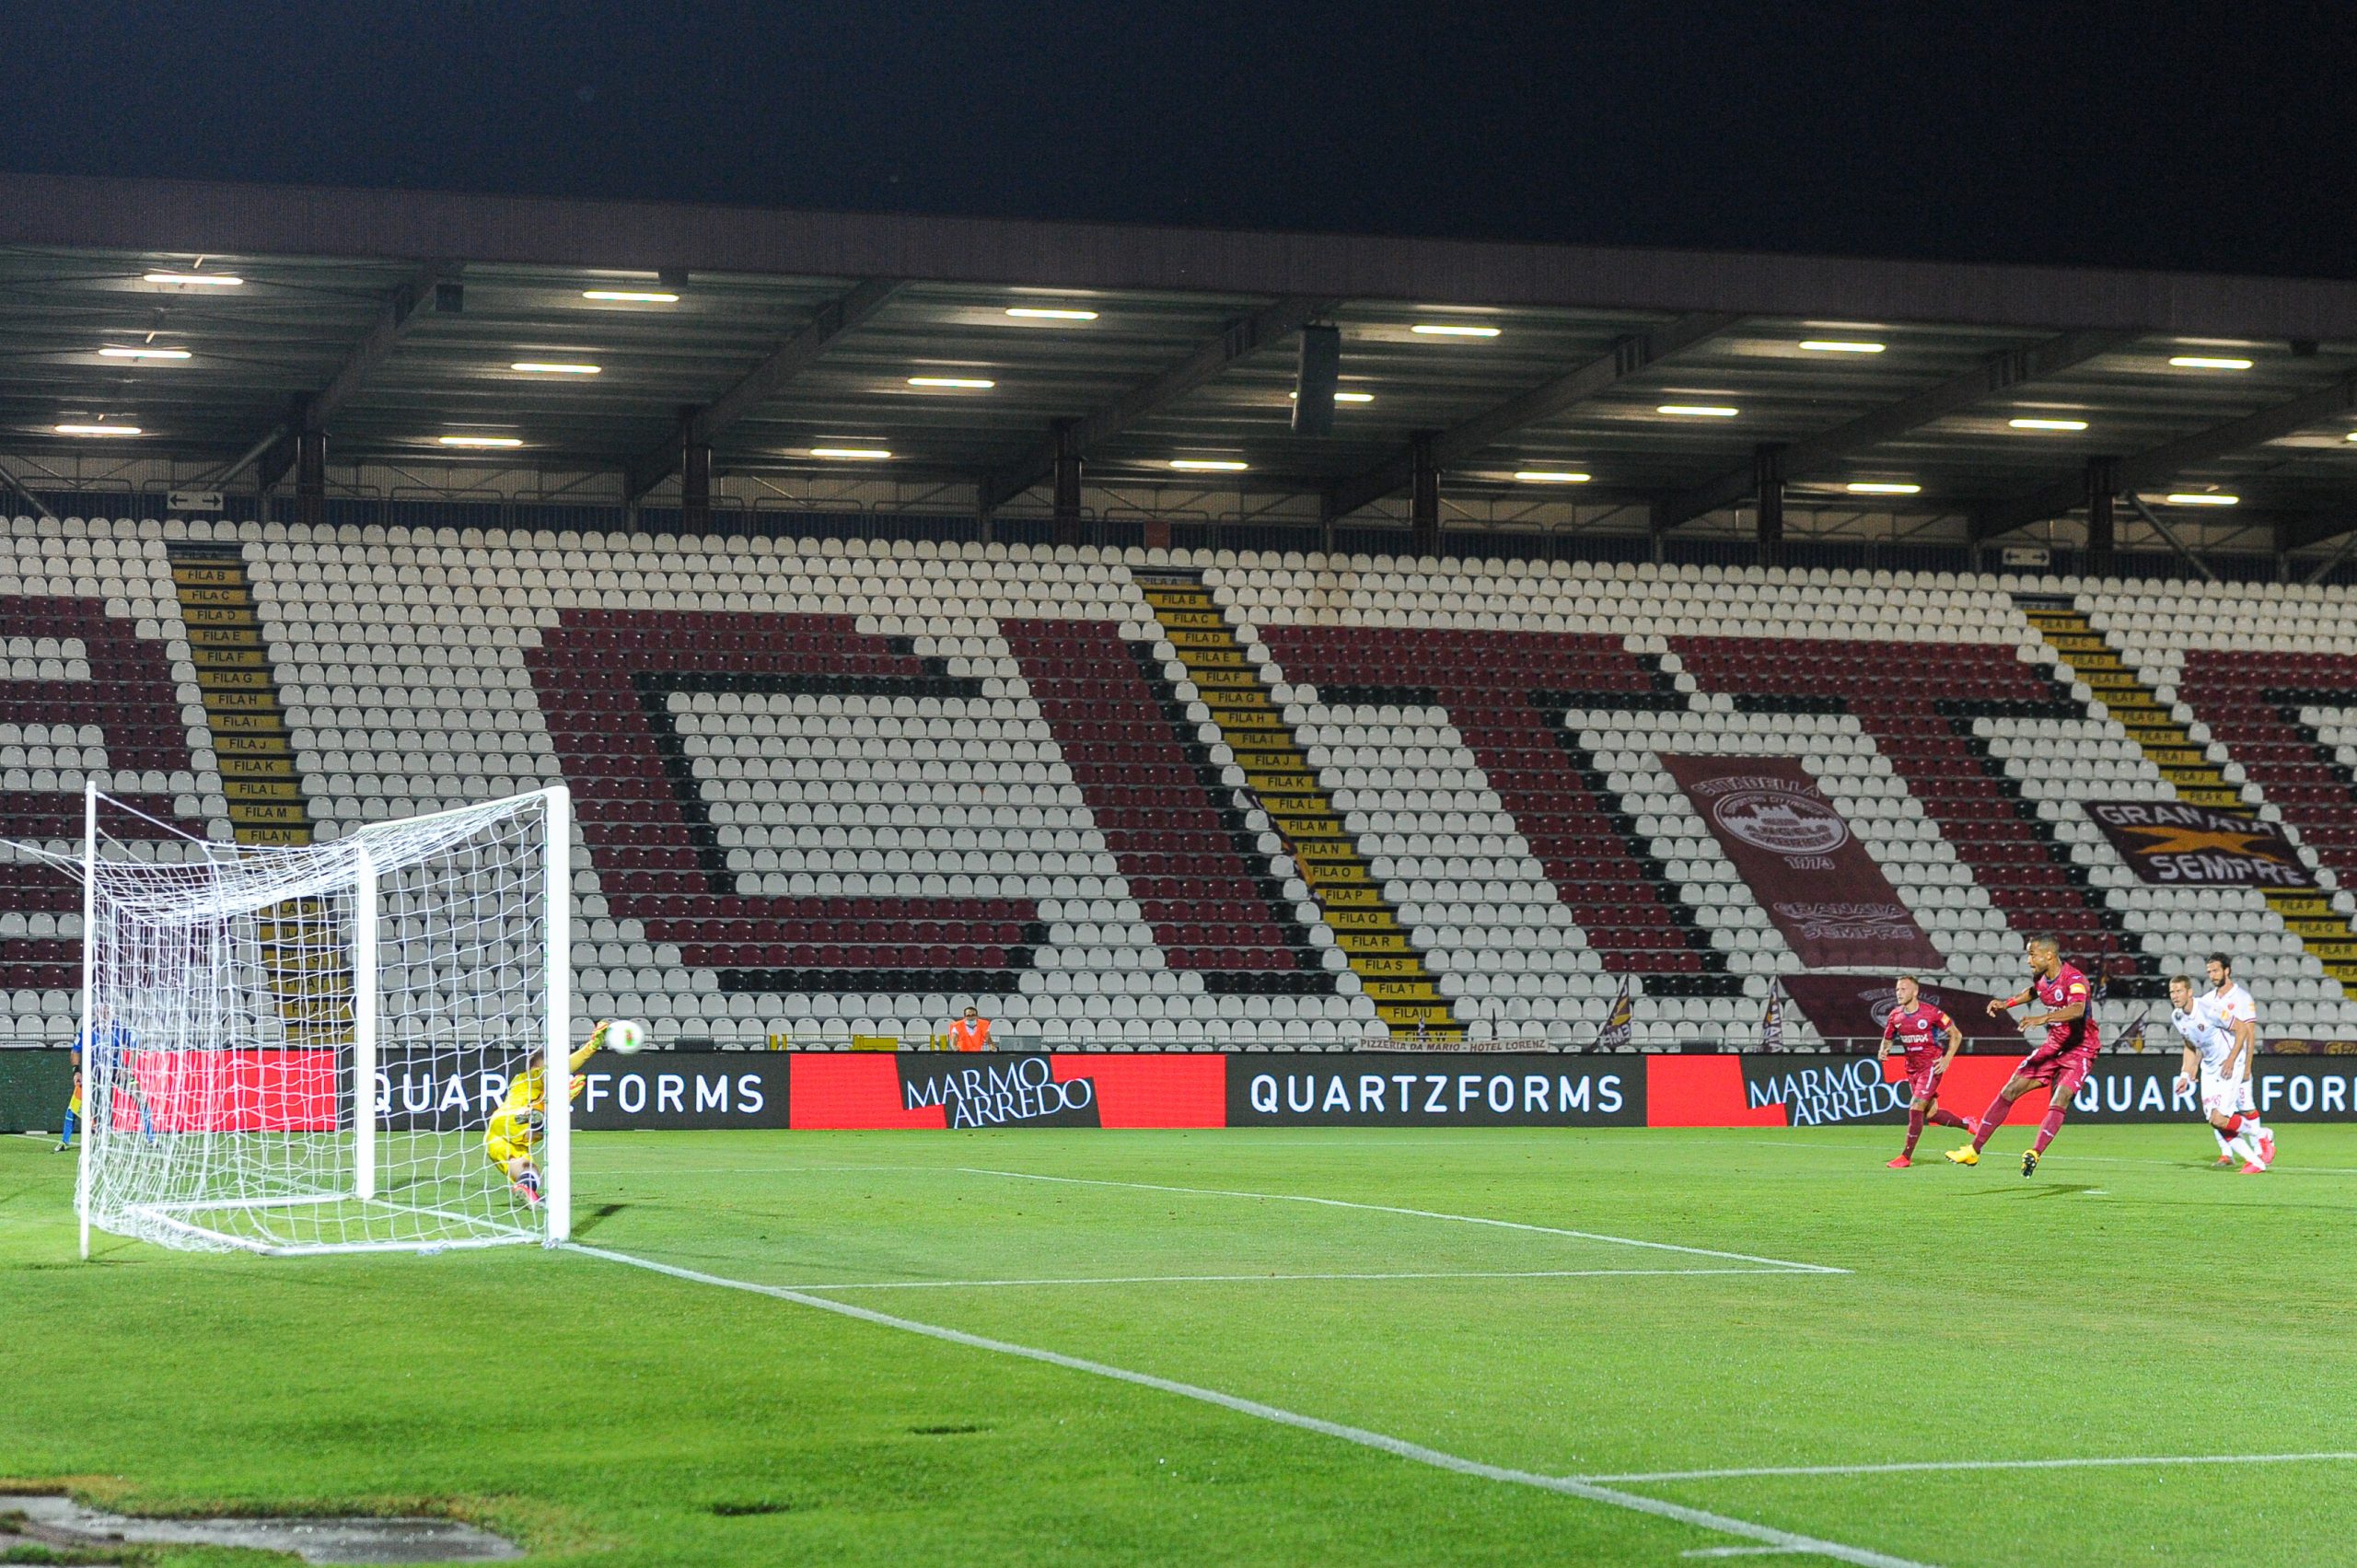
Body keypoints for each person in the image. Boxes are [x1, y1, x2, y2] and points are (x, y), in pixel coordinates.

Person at [1945, 934, 2101, 1177]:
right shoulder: (2041, 977)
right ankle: (1973, 1150)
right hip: (2054, 1046)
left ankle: (2035, 1152)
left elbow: (2078, 1008)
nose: (2028, 960)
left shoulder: (2074, 979)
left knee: (2060, 1098)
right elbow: (2034, 991)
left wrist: (2044, 1018)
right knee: (2010, 1089)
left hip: (2080, 1048)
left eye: (2032, 954)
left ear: (2049, 955)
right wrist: (2006, 1004)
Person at [483, 1020, 616, 1206]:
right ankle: (532, 1119)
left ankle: (526, 1189)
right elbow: (556, 1071)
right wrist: (591, 1047)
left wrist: (561, 1100)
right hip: (510, 1119)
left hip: (501, 1140)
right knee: (540, 1121)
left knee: (531, 1172)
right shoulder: (527, 1079)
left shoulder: (547, 1094)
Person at [2174, 957, 2272, 1171]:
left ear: (2227, 970)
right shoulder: (2197, 1005)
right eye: (2209, 972)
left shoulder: (2240, 998)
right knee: (2215, 1120)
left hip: (2232, 1062)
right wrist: (2187, 1073)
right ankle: (2249, 1159)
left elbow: (2247, 1030)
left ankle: (2262, 1139)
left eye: (2215, 971)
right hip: (2210, 1067)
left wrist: (2245, 1064)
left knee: (2239, 1109)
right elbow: (2193, 1043)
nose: (2212, 975)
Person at [1877, 975, 1968, 1167]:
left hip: (1931, 1067)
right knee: (1931, 1114)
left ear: (1915, 992)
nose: (1899, 993)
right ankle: (1967, 1124)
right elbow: (1888, 1037)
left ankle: (1905, 1157)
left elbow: (1956, 1034)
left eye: (1903, 989)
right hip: (1912, 1069)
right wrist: (1883, 1050)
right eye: (1897, 990)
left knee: (1915, 1106)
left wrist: (1947, 1059)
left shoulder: (1931, 1013)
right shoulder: (1895, 1015)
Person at [55, 1039, 82, 1152]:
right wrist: (76, 1071)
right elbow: (75, 1050)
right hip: (89, 1075)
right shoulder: (87, 1030)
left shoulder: (118, 1029)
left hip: (112, 1074)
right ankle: (65, 1141)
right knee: (72, 1109)